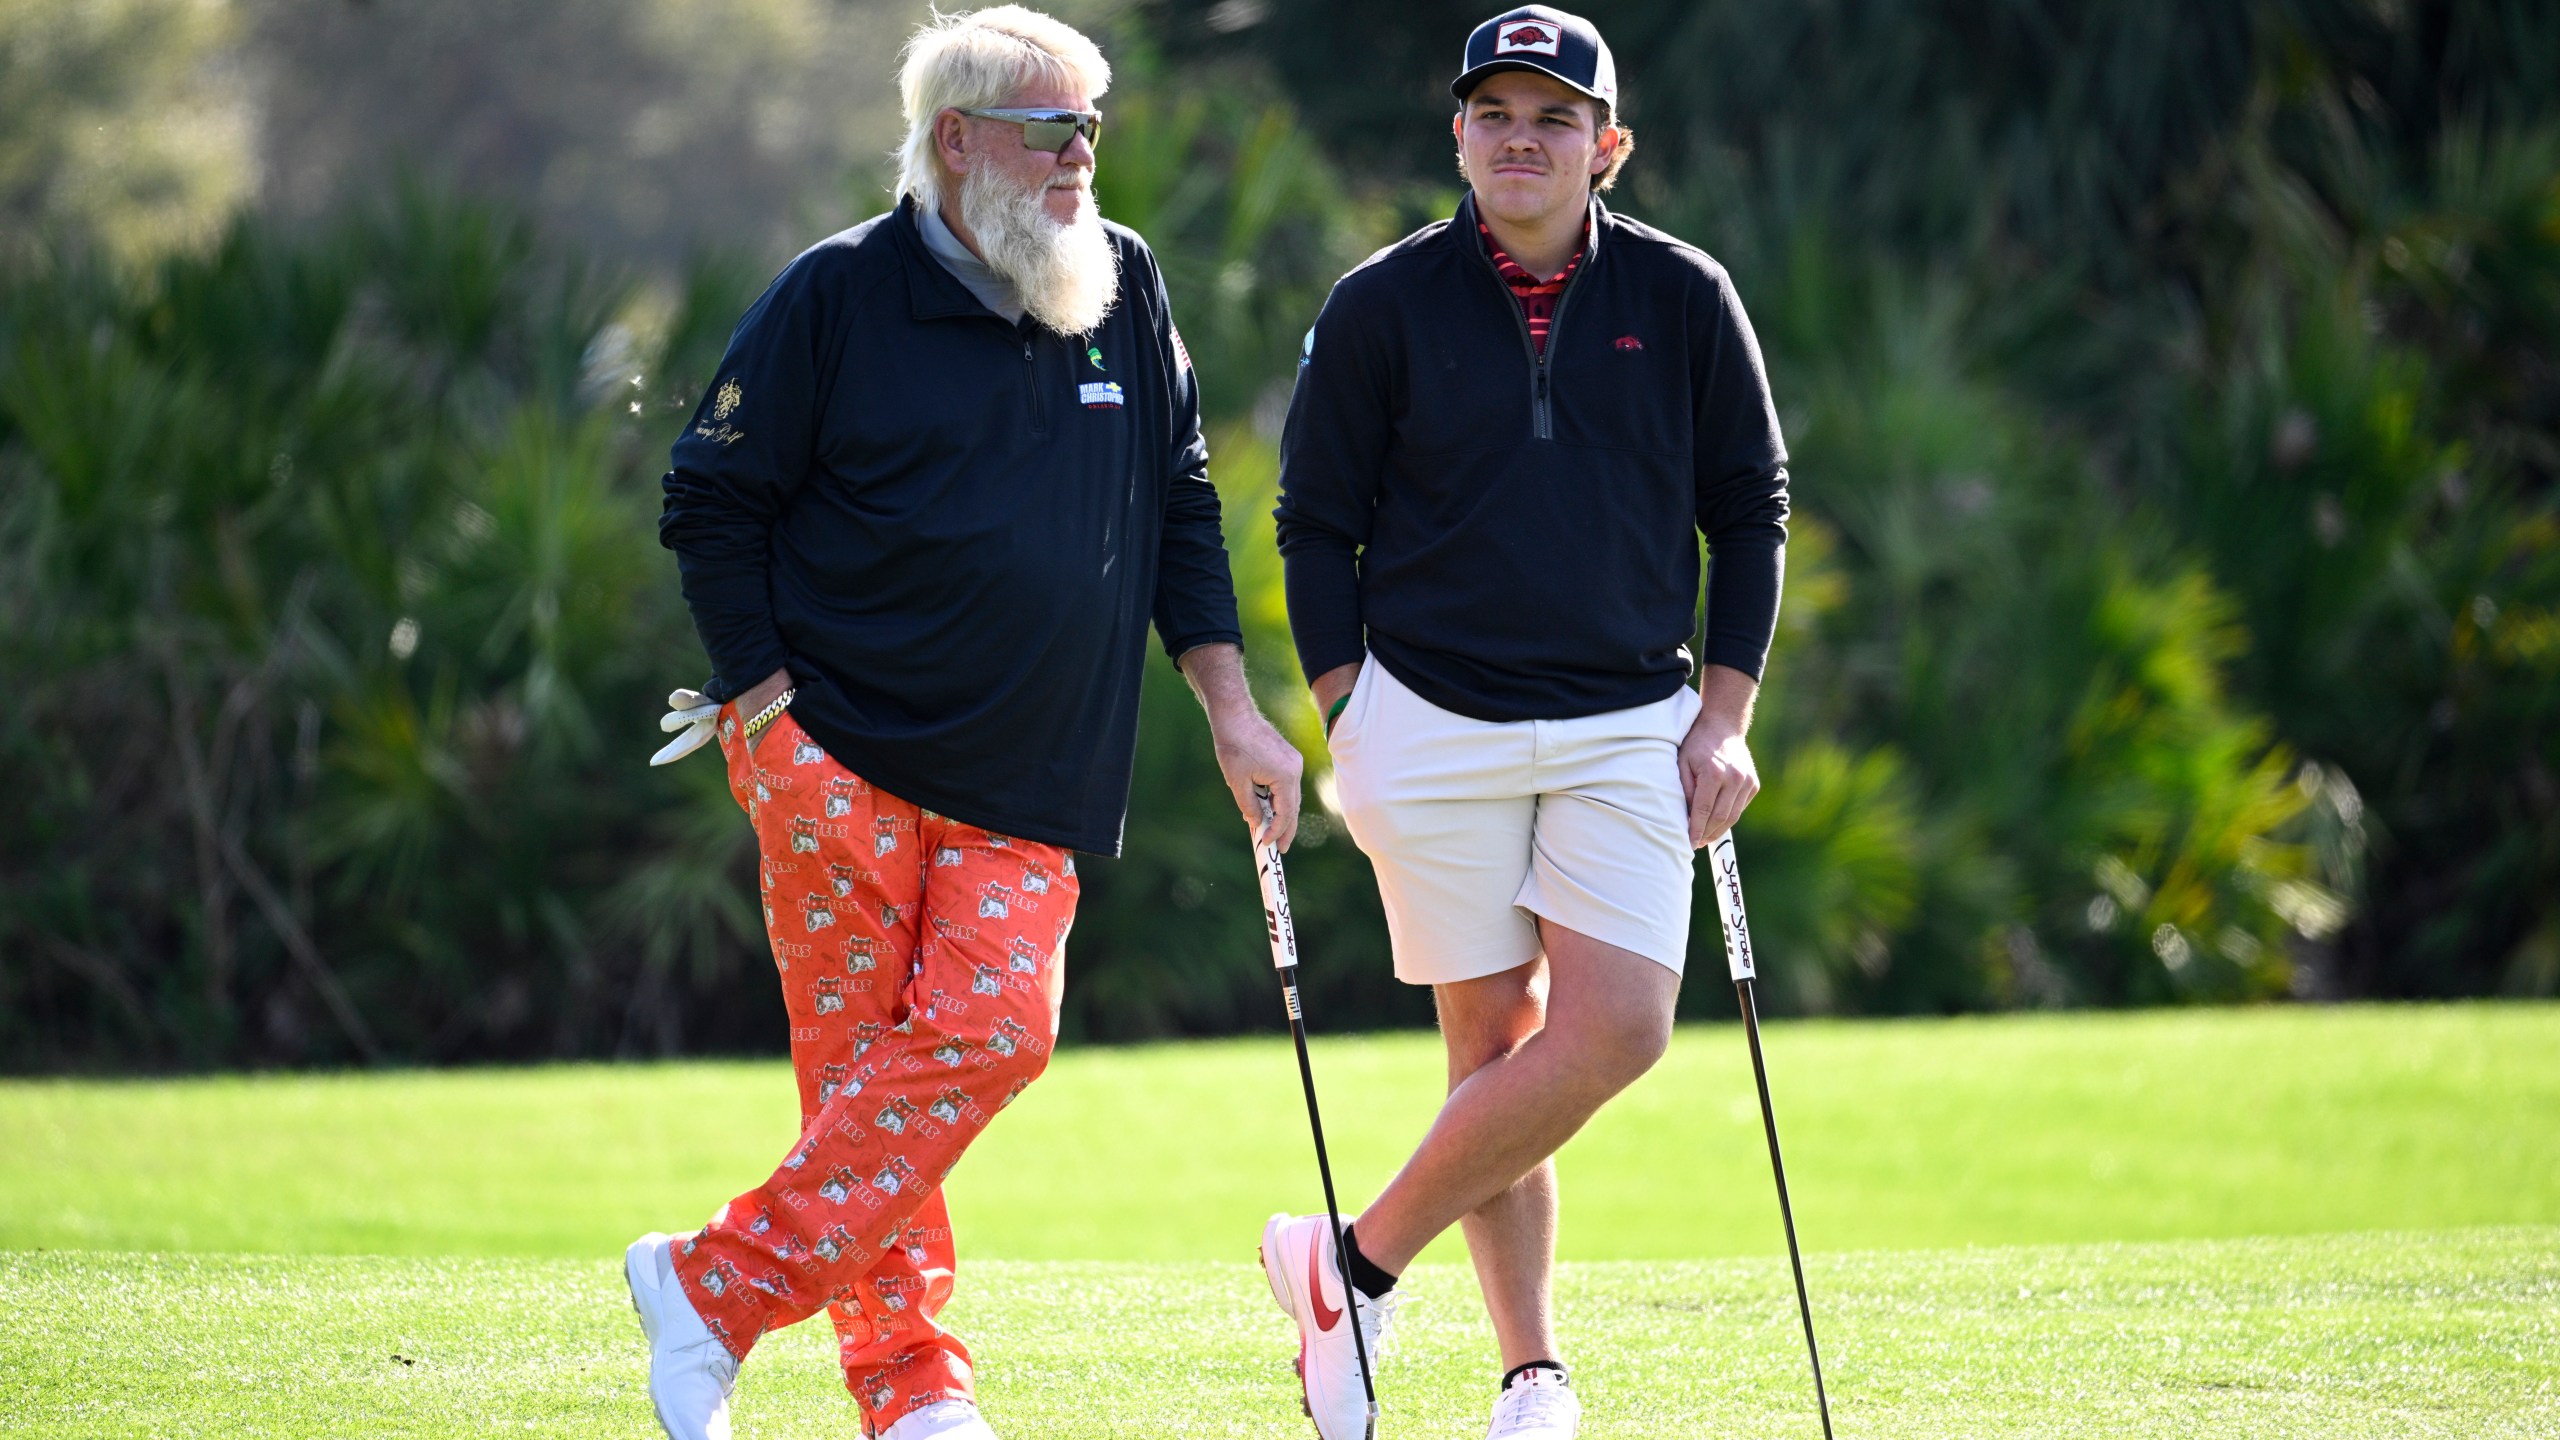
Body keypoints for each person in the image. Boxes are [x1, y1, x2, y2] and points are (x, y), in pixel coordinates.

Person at [635, 8, 1304, 1439]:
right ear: (955, 140)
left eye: (1091, 127)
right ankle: (913, 1390)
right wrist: (765, 712)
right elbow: (711, 494)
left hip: (1033, 766)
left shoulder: (1120, 280)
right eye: (1050, 127)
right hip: (839, 755)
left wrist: (1233, 711)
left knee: (990, 1031)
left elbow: (1180, 501)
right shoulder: (837, 295)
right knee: (864, 1074)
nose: (1083, 156)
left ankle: (711, 1288)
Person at [1265, 7, 1791, 1437]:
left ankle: (1351, 1261)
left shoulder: (1685, 296)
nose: (1521, 138)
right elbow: (1315, 523)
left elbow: (1750, 511)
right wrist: (1343, 709)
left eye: (1555, 117)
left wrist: (1727, 715)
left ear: (1607, 147)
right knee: (1490, 1049)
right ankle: (1531, 1375)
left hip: (1634, 719)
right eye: (1494, 112)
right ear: (1457, 134)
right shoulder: (1384, 302)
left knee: (1616, 1029)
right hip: (1428, 714)